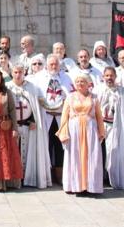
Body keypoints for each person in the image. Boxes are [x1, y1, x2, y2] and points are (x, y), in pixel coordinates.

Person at [56, 73, 106, 195]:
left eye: (82, 81)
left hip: (90, 130)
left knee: (91, 156)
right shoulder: (70, 97)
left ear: (88, 83)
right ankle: (76, 186)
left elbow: (99, 116)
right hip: (75, 130)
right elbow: (64, 116)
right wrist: (63, 132)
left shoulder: (94, 98)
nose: (80, 84)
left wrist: (101, 131)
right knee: (75, 156)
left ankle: (91, 186)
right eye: (77, 81)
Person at [94, 67, 124, 189]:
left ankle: (114, 177)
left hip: (116, 126)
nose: (109, 78)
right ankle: (100, 178)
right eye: (107, 76)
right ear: (103, 77)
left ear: (115, 76)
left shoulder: (122, 91)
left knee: (114, 152)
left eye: (111, 75)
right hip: (100, 125)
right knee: (99, 152)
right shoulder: (98, 90)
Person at [32, 54, 74, 185]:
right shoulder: (38, 78)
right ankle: (47, 175)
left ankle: (61, 175)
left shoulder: (66, 78)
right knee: (46, 145)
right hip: (45, 116)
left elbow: (71, 95)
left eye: (56, 64)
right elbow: (35, 97)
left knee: (61, 147)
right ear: (46, 65)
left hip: (61, 117)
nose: (54, 66)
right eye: (51, 64)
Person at [8, 63, 51, 189]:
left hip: (28, 125)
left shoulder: (32, 87)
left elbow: (36, 107)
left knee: (28, 152)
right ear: (12, 73)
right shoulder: (7, 87)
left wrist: (33, 120)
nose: (18, 74)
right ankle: (14, 178)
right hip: (13, 126)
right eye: (15, 72)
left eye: (20, 72)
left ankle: (28, 177)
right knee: (14, 151)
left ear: (25, 72)